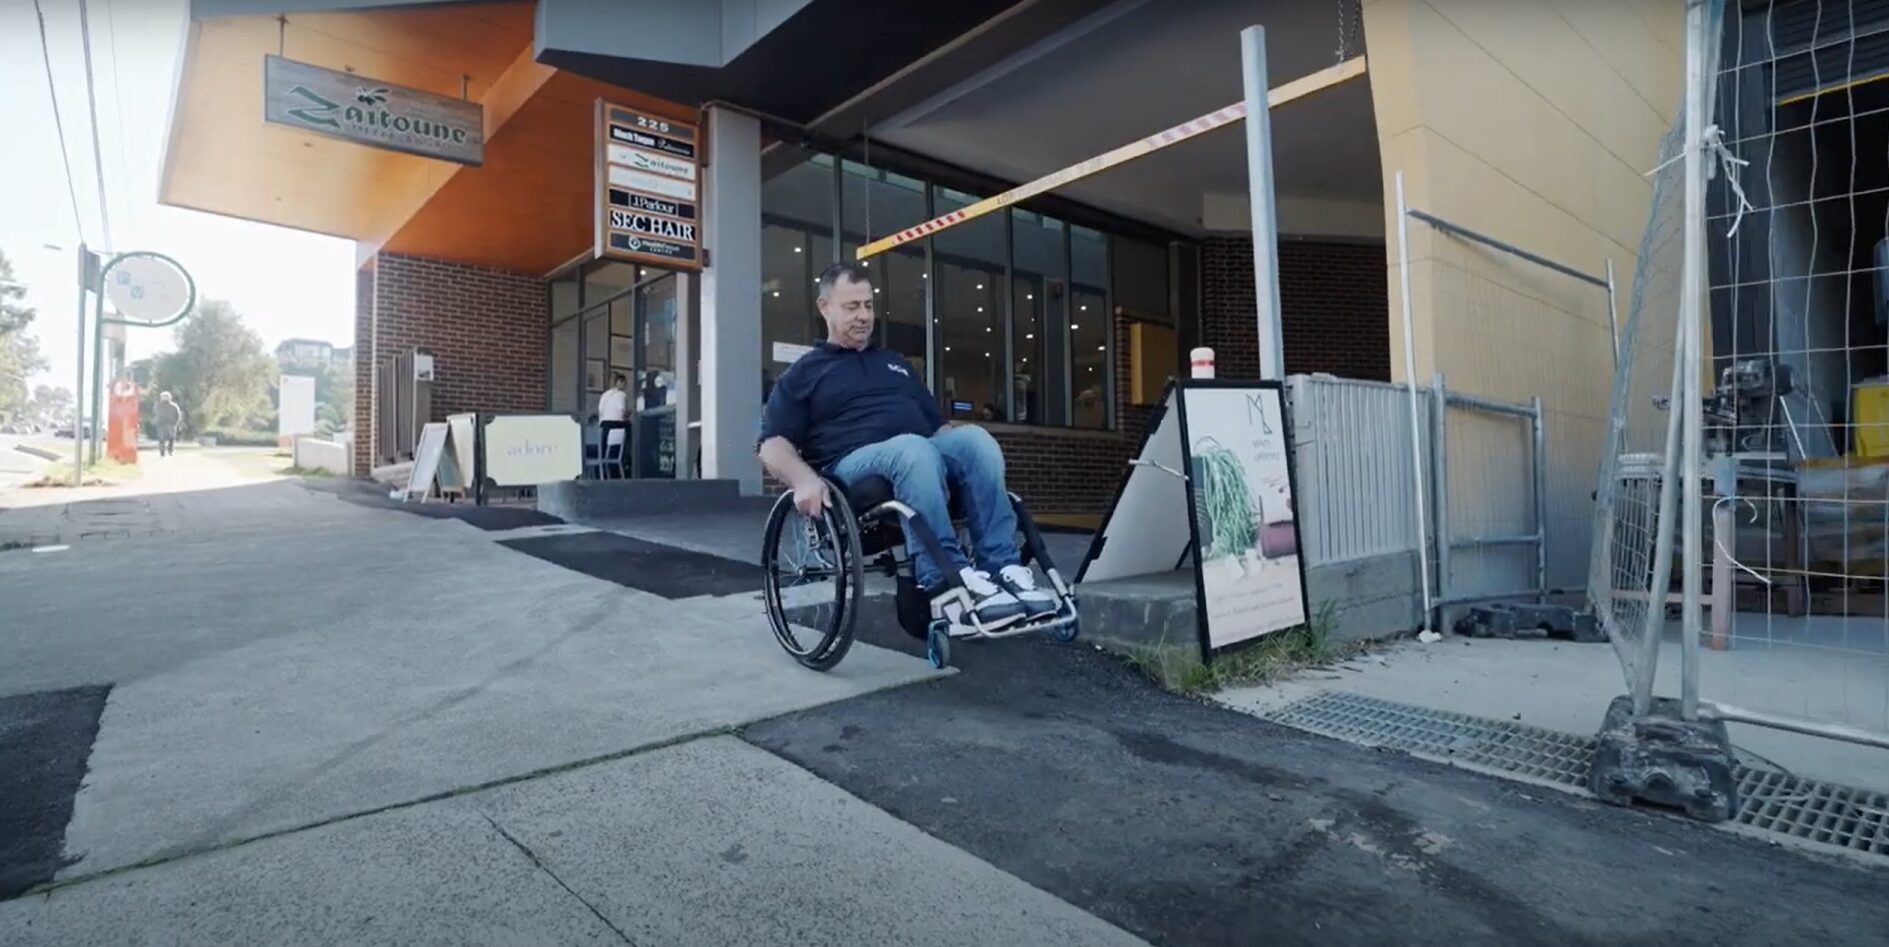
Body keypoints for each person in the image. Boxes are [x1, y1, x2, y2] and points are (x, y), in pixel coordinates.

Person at [757, 262, 1055, 635]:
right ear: (825, 307)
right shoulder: (803, 373)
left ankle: (1003, 570)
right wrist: (802, 480)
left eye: (868, 305)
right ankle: (945, 579)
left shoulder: (895, 364)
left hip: (920, 455)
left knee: (976, 440)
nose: (864, 316)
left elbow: (940, 429)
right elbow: (772, 445)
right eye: (852, 307)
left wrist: (964, 458)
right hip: (854, 469)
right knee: (913, 450)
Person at [154, 391, 184, 457]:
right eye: (163, 397)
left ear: (169, 398)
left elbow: (178, 415)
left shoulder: (174, 406)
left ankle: (170, 450)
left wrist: (177, 423)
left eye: (166, 397)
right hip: (161, 424)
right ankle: (162, 452)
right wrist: (156, 421)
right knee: (161, 438)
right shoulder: (158, 406)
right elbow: (155, 413)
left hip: (171, 424)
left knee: (171, 438)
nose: (164, 398)